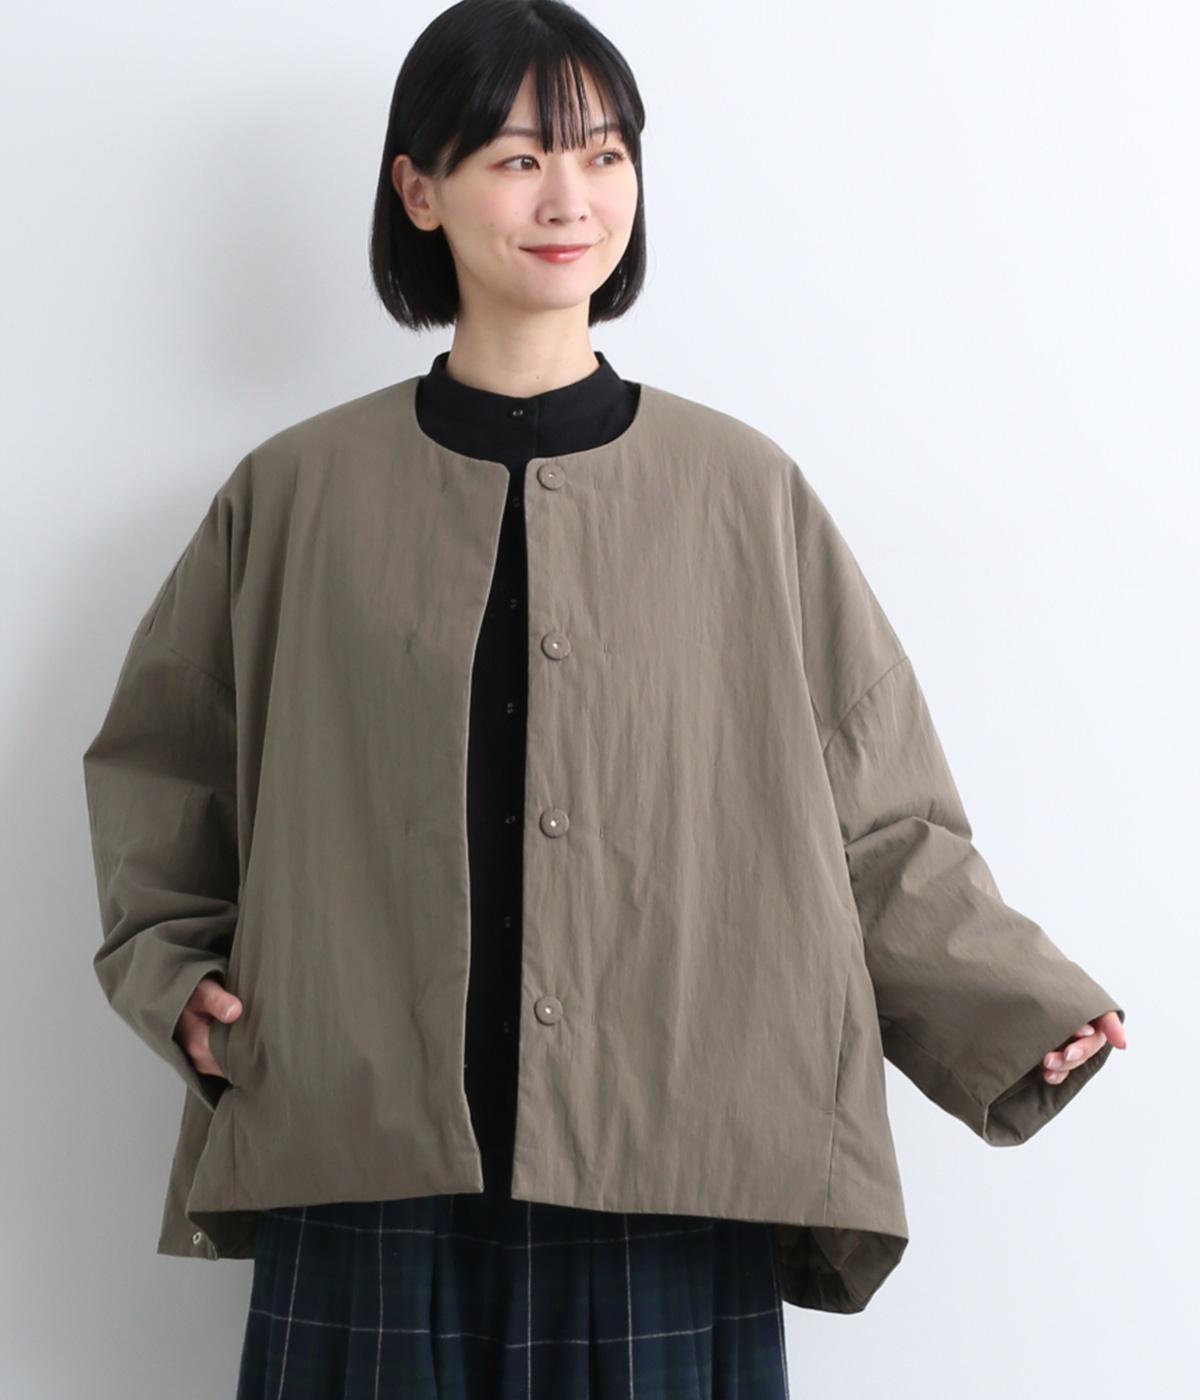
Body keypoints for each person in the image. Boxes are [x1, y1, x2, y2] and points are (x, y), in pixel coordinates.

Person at [82, 2, 1127, 1397]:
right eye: (517, 157)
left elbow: (875, 813)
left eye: (605, 153)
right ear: (419, 189)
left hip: (669, 1159)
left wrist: (1009, 1006)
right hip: (364, 1158)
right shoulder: (294, 494)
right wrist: (171, 973)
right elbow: (167, 760)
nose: (569, 198)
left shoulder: (742, 493)